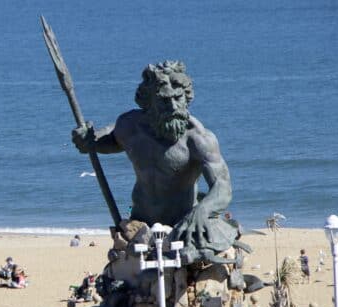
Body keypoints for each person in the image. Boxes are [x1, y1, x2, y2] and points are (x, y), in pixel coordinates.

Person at [71, 60, 239, 265]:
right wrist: (86, 140)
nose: (173, 107)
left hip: (182, 224)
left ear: (187, 97)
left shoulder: (198, 139)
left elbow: (223, 186)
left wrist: (202, 211)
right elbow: (104, 141)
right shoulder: (129, 126)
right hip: (140, 224)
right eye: (164, 100)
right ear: (148, 102)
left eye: (178, 99)